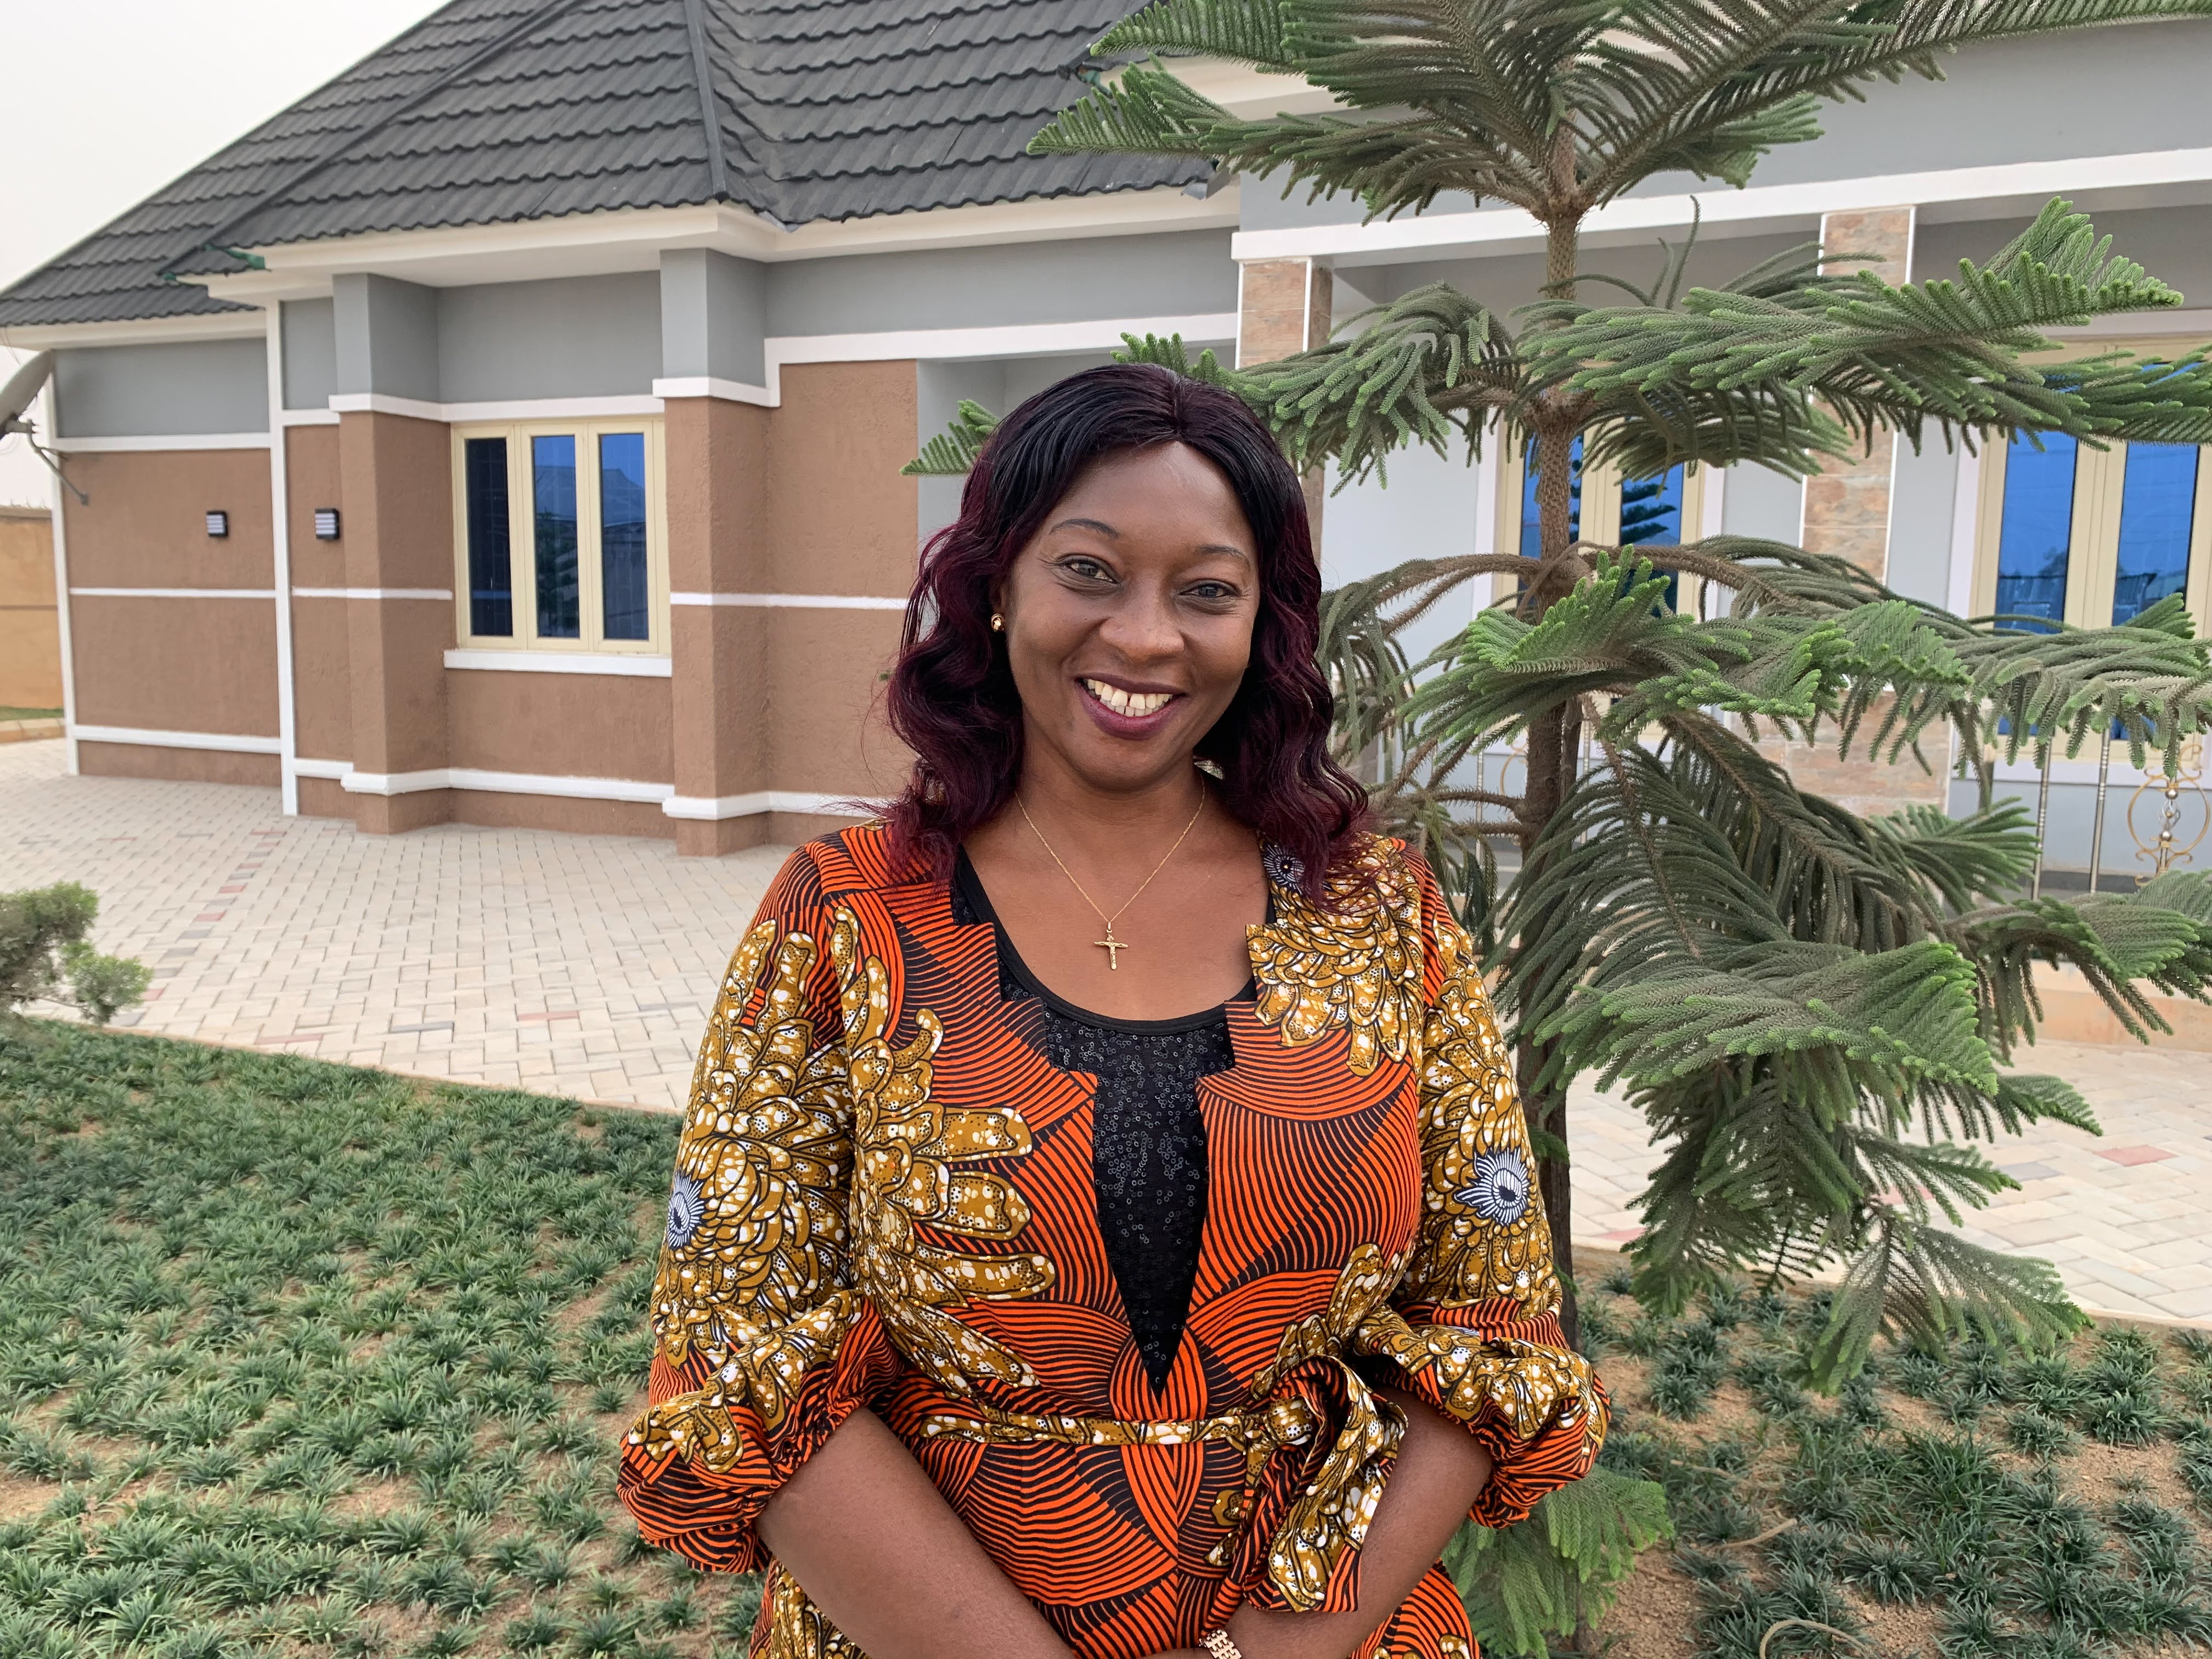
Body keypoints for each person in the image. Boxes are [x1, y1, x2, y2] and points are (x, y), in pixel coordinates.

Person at [617, 364, 1607, 1659]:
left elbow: (1495, 1323)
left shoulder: (1378, 915)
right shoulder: (845, 917)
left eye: (1206, 590)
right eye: (1090, 570)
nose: (1146, 638)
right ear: (994, 589)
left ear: (1265, 625)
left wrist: (1266, 1656)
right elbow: (734, 1346)